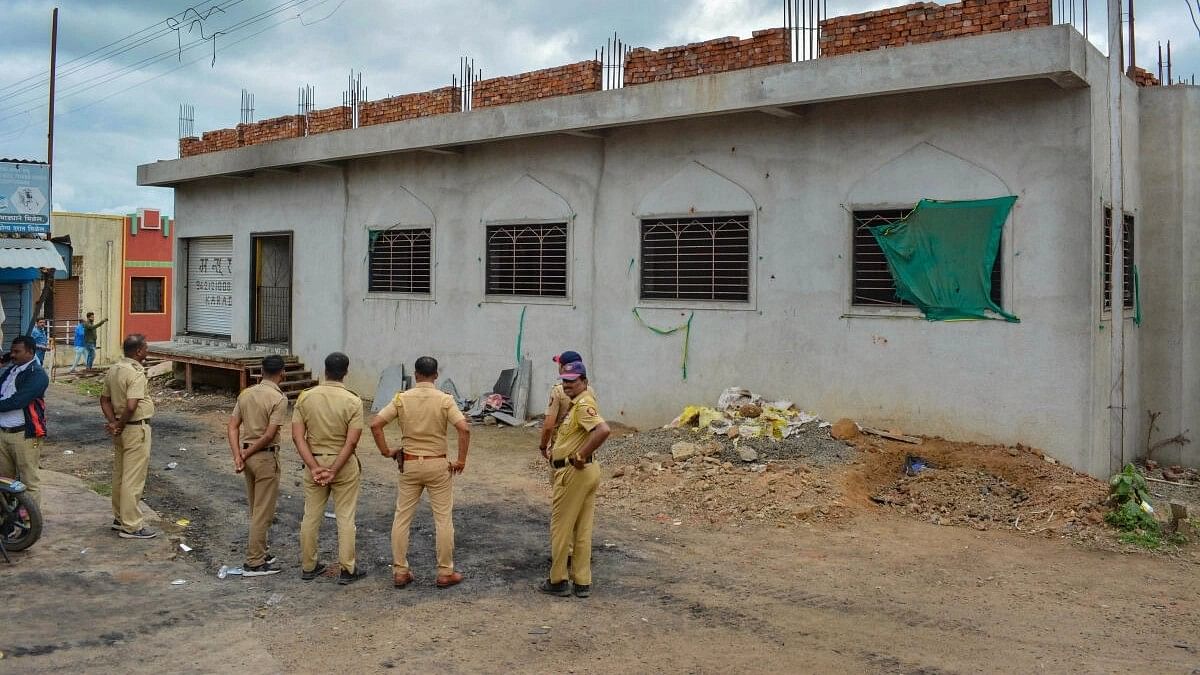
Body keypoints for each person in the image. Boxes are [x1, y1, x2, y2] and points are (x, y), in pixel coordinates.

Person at [369, 356, 470, 590]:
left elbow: (376, 424)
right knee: (443, 518)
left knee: (402, 517)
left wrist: (387, 451)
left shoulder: (401, 399)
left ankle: (400, 571)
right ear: (436, 375)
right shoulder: (445, 400)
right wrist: (461, 460)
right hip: (438, 464)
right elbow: (464, 429)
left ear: (415, 375)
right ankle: (445, 572)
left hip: (410, 463)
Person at [293, 352, 365, 585]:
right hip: (343, 464)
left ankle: (308, 565)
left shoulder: (305, 398)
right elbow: (351, 441)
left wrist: (314, 466)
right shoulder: (353, 401)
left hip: (313, 459)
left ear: (324, 370)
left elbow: (297, 437)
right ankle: (347, 568)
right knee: (345, 517)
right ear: (346, 372)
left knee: (311, 515)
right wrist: (334, 469)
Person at [539, 360, 609, 599]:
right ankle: (582, 581)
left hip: (573, 472)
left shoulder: (582, 405)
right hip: (584, 471)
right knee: (582, 528)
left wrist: (581, 454)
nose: (568, 385)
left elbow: (603, 430)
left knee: (561, 527)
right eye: (565, 381)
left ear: (584, 382)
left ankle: (557, 580)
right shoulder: (577, 403)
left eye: (573, 381)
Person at [227, 355, 288, 576]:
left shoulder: (246, 394)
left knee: (256, 508)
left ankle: (261, 551)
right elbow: (270, 434)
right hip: (264, 457)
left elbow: (232, 426)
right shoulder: (278, 398)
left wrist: (238, 455)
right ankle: (254, 562)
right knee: (263, 511)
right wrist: (246, 452)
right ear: (282, 373)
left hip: (248, 456)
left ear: (261, 372)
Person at [100, 334, 158, 539]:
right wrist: (120, 424)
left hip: (121, 429)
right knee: (133, 478)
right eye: (146, 348)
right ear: (139, 351)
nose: (147, 351)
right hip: (134, 428)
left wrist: (113, 423)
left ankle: (119, 518)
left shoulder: (114, 369)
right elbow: (132, 405)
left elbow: (104, 400)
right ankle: (132, 525)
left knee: (120, 474)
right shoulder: (135, 373)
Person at [0, 336, 49, 510]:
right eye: (11, 351)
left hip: (24, 435)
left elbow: (16, 402)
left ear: (30, 352)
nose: (12, 355)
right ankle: (8, 519)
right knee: (5, 480)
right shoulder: (12, 370)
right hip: (4, 434)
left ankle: (29, 525)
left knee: (29, 481)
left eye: (17, 352)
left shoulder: (37, 375)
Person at [539, 351, 594, 485]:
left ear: (564, 368)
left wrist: (543, 446)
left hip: (562, 451)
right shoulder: (590, 391)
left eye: (560, 364)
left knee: (560, 492)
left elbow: (548, 425)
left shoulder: (558, 391)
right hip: (583, 451)